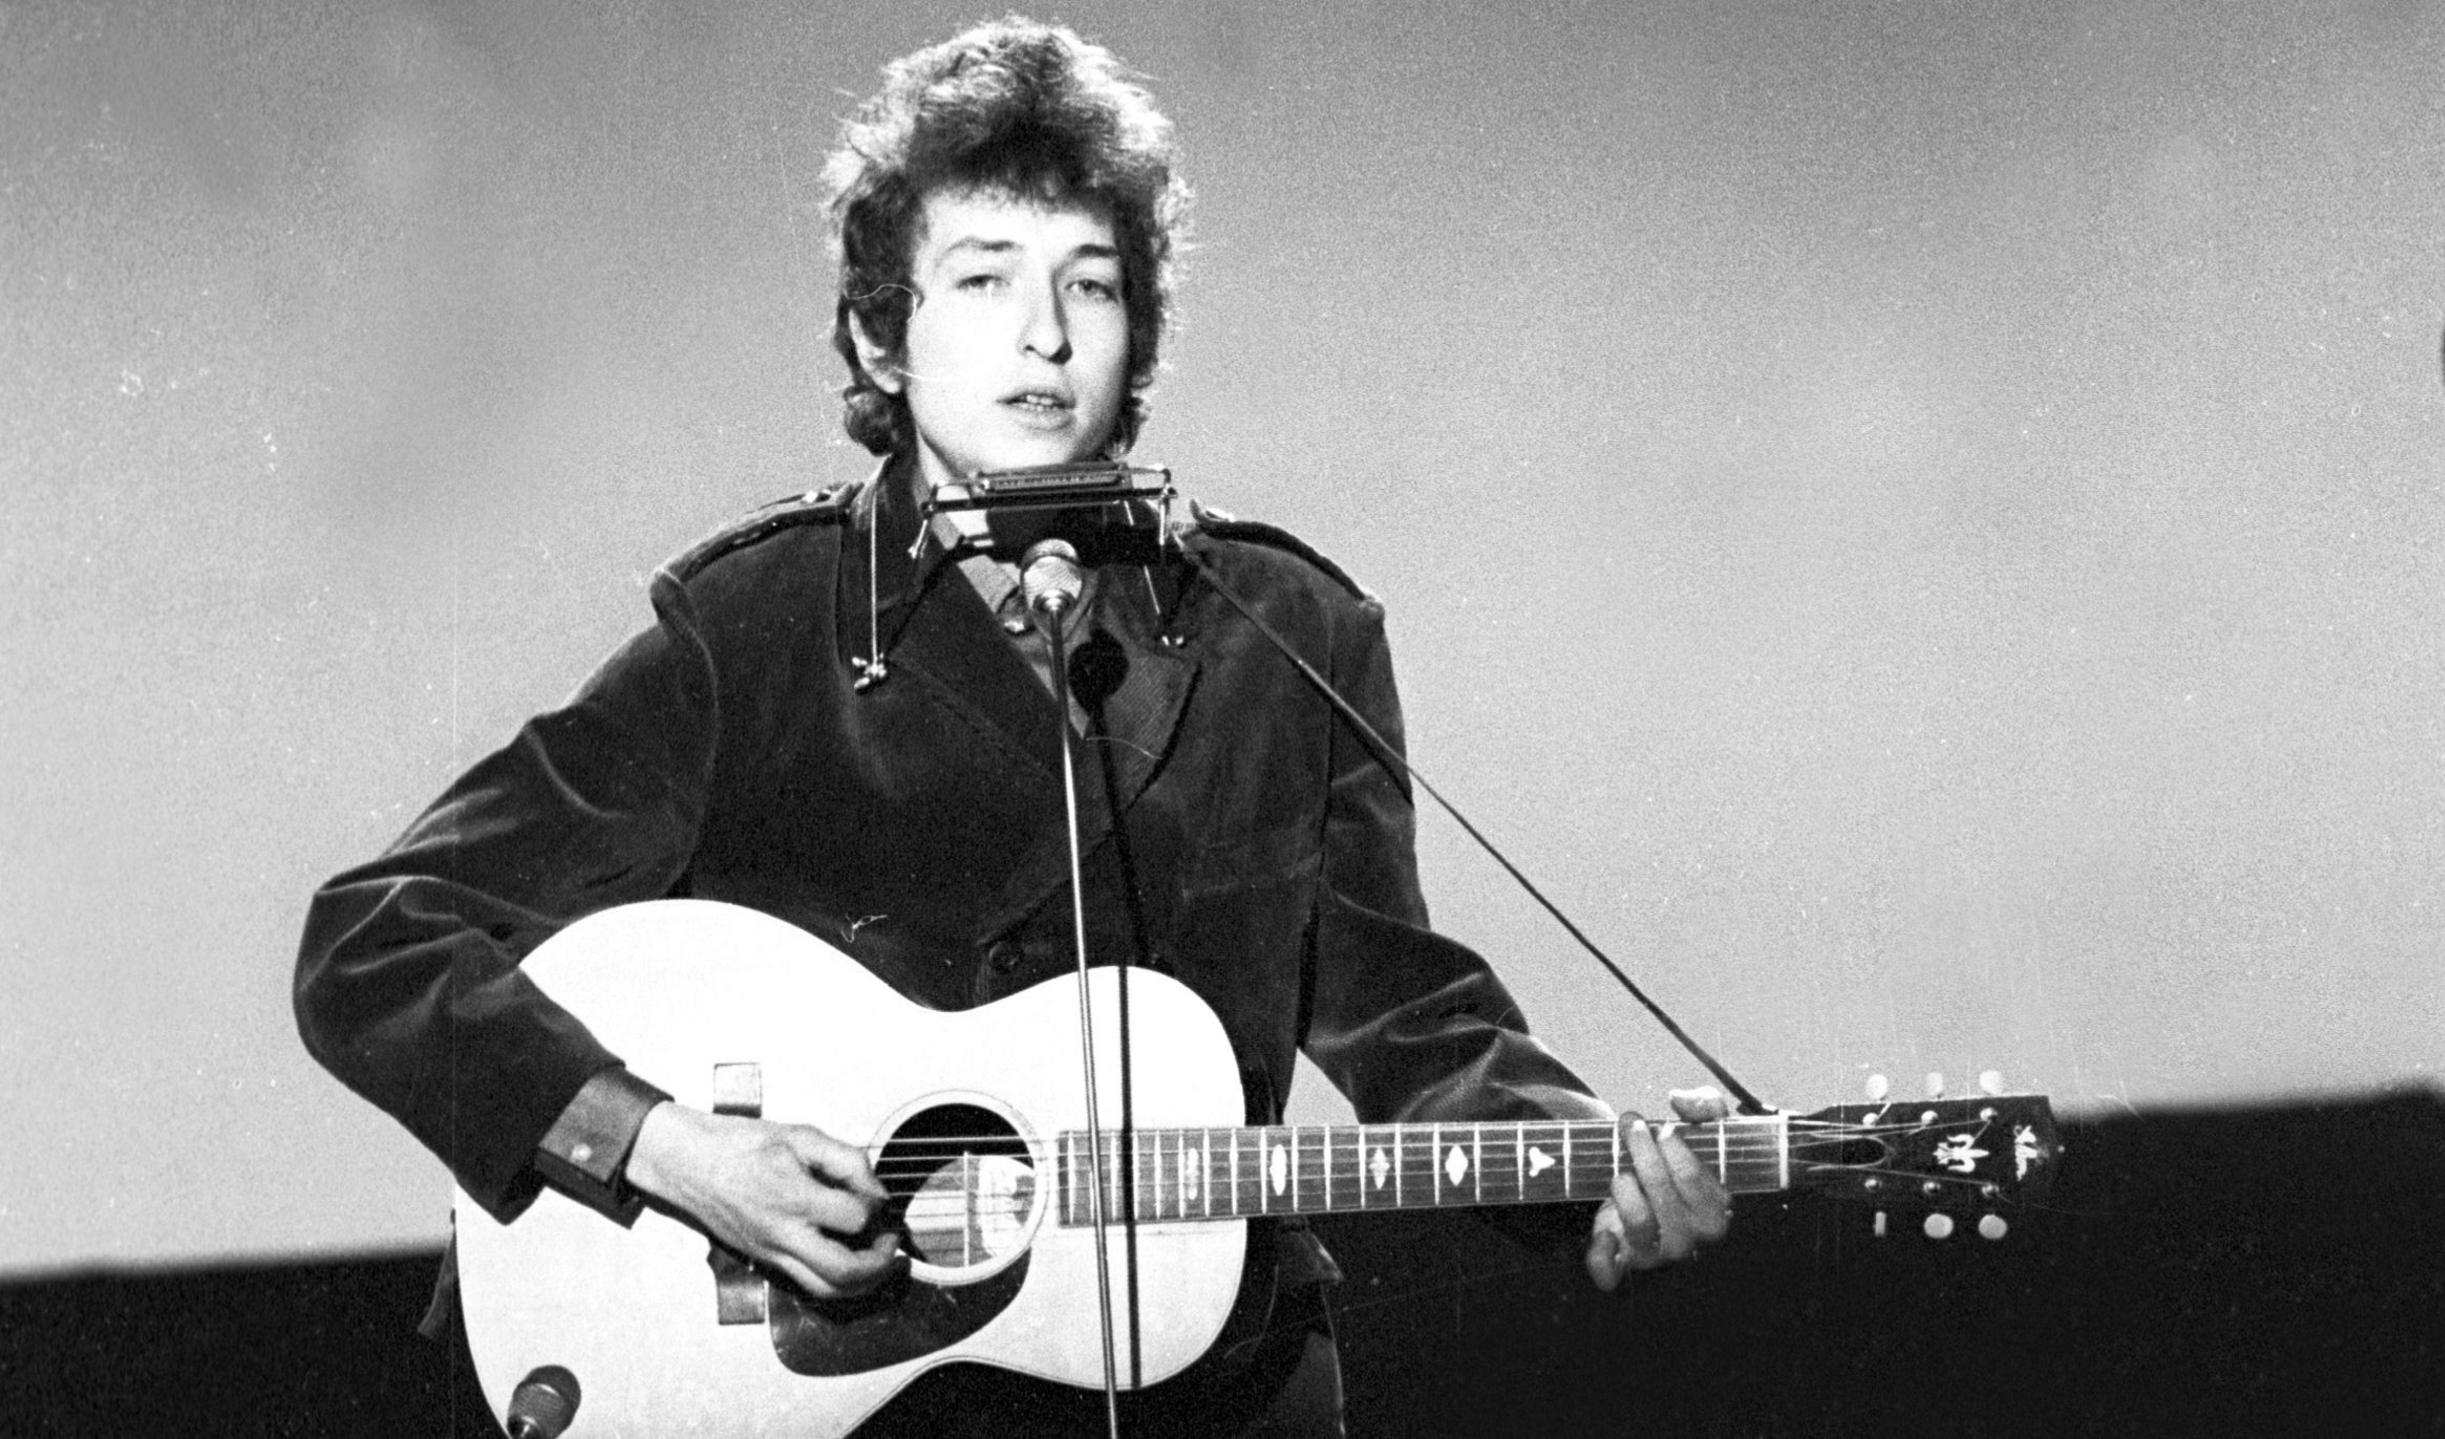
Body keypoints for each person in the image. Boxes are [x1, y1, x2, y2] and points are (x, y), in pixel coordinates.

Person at [295, 18, 1729, 1436]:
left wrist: (1590, 1175)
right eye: (984, 280)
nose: (1045, 336)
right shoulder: (758, 628)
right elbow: (375, 944)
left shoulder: (1288, 629)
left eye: (1090, 286)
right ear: (881, 331)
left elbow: (1408, 1016)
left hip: (1207, 1385)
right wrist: (667, 1148)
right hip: (837, 1394)